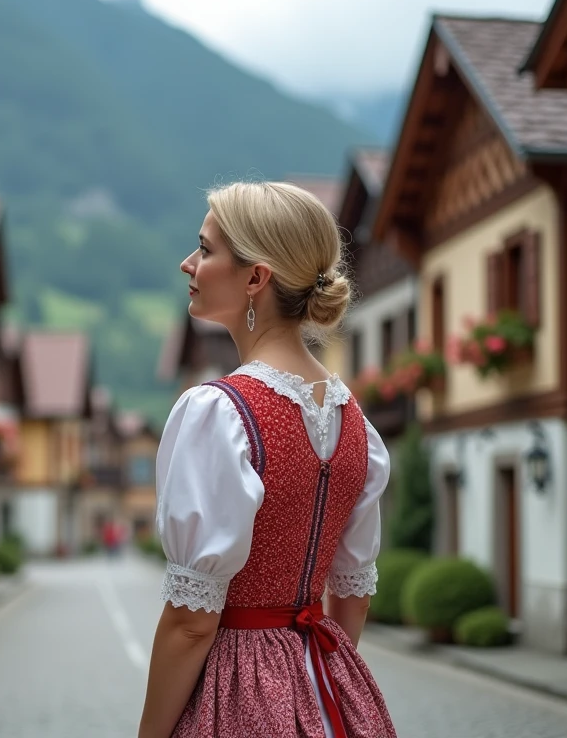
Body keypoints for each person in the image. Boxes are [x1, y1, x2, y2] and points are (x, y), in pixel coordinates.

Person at [138, 181, 396, 738]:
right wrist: (306, 684)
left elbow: (190, 623)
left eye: (205, 250)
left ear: (256, 277)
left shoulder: (220, 413)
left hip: (237, 691)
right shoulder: (358, 426)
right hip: (330, 687)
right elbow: (352, 596)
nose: (188, 264)